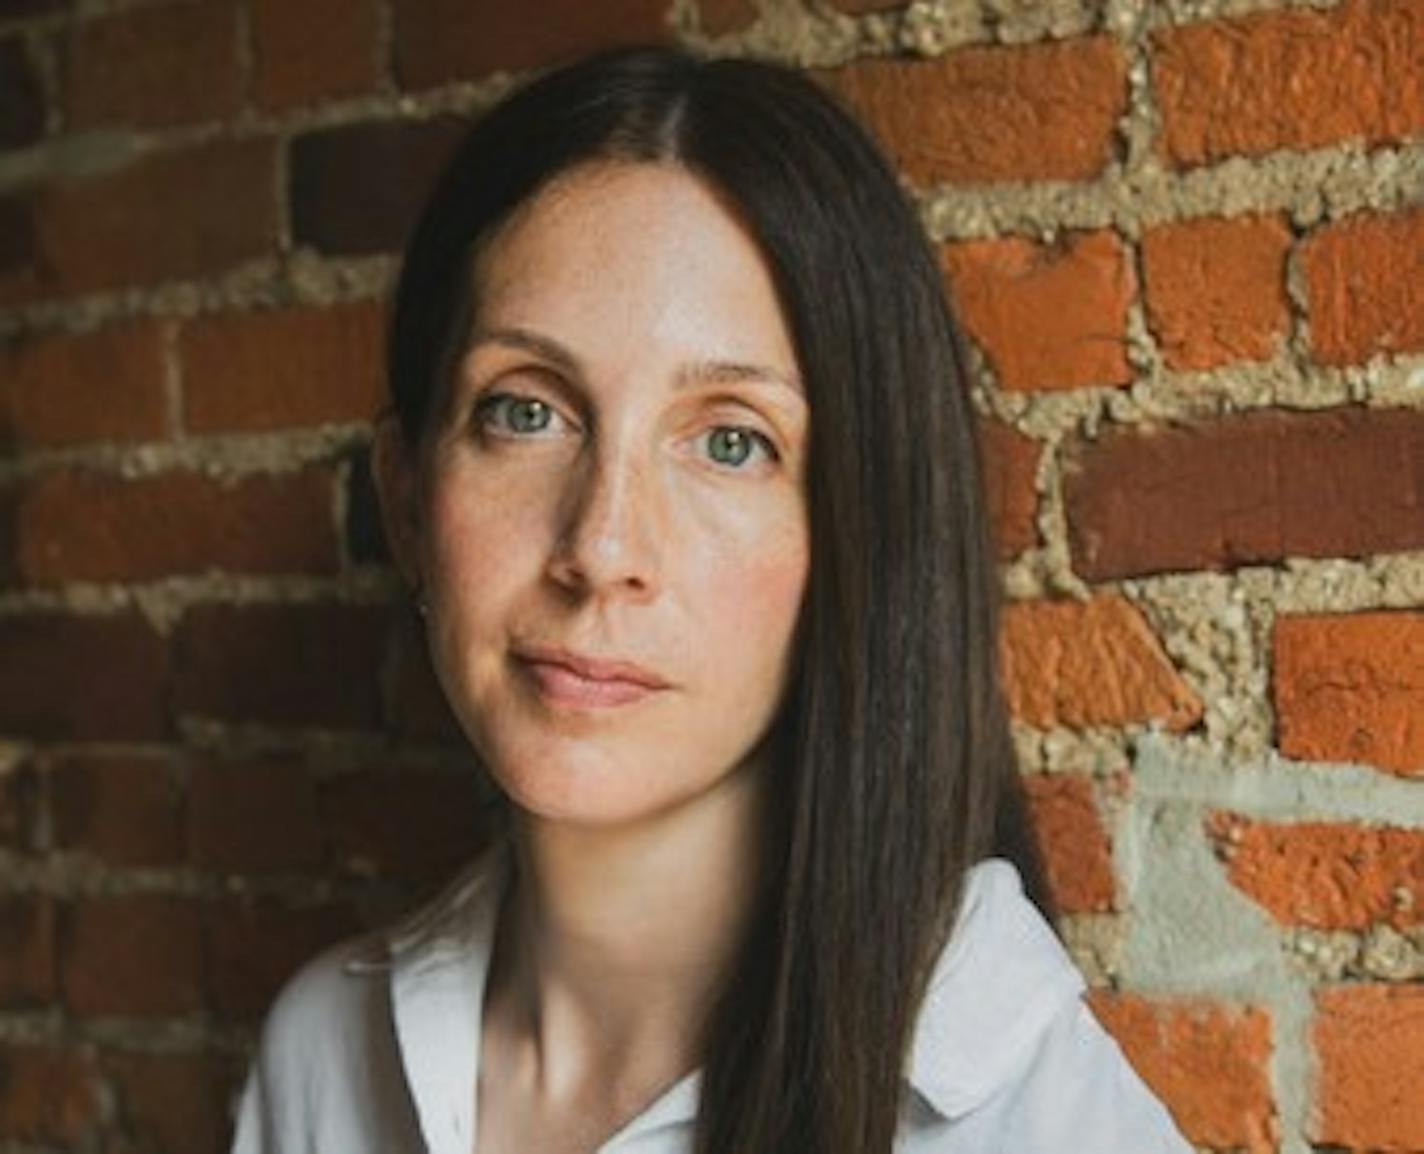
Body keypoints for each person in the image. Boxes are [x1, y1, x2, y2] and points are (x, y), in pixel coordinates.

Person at [231, 46, 1191, 1154]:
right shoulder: (323, 1051)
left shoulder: (1003, 1106)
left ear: (852, 537)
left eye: (730, 440)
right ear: (407, 500)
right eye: (526, 412)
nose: (600, 547)